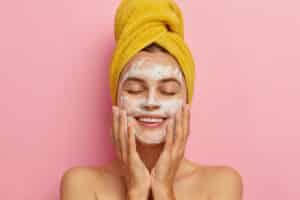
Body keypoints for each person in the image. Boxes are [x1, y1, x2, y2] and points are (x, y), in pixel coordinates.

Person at [60, 1, 243, 200]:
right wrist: (136, 190)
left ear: (186, 104)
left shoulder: (221, 184)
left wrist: (163, 188)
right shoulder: (81, 184)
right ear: (116, 101)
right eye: (135, 90)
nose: (150, 101)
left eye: (168, 91)